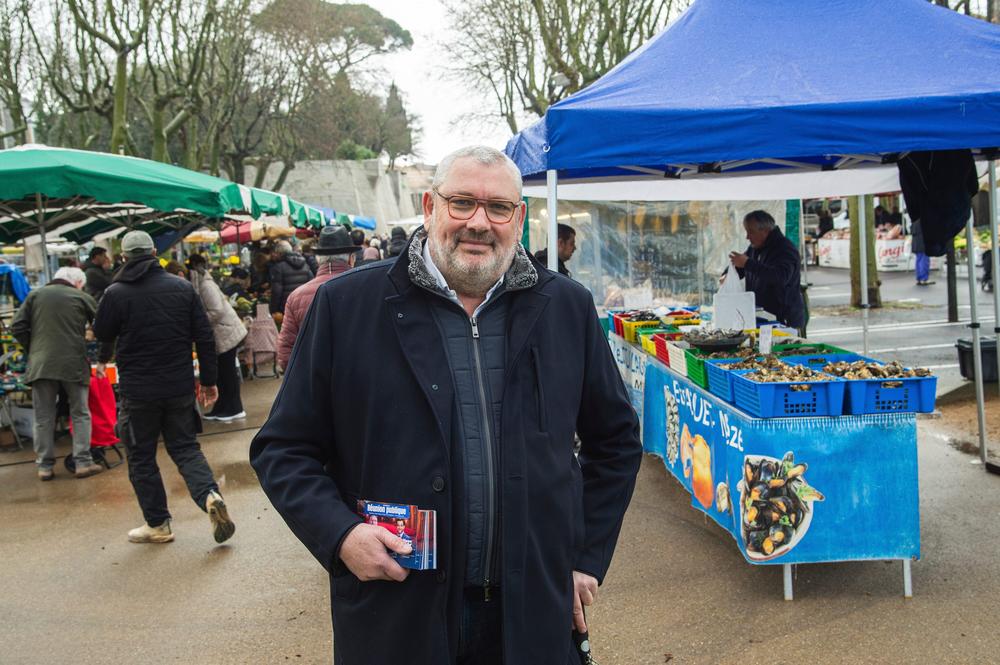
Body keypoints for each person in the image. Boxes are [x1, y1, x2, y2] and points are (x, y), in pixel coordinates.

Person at [250, 145, 642, 665]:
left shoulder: (565, 307)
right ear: (430, 207)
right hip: (398, 610)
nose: (479, 223)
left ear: (518, 219)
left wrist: (583, 558)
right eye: (462, 203)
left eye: (498, 208)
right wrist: (340, 534)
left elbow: (614, 441)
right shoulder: (347, 307)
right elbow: (283, 447)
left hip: (531, 614)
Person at [93, 231, 235, 545]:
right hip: (179, 386)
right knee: (185, 449)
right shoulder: (182, 287)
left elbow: (102, 331)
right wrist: (210, 381)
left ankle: (158, 524)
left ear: (125, 256)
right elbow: (205, 337)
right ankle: (209, 495)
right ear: (155, 251)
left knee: (142, 457)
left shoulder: (116, 292)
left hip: (139, 390)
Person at [11, 266, 102, 480]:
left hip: (41, 364)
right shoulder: (80, 296)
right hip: (73, 363)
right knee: (79, 412)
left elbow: (17, 326)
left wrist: (32, 348)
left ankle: (44, 466)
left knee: (43, 417)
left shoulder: (34, 295)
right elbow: (103, 324)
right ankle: (83, 462)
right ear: (78, 283)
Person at [276, 226, 360, 370]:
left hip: (314, 383)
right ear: (352, 259)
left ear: (318, 259)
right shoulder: (364, 290)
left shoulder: (296, 297)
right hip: (357, 380)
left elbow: (285, 355)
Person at [187, 254, 248, 421]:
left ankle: (235, 408)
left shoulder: (206, 285)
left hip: (226, 332)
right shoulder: (203, 283)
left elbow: (217, 310)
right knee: (221, 373)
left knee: (227, 373)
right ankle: (221, 407)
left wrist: (199, 320)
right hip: (222, 333)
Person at [729, 210, 805, 330]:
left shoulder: (784, 249)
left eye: (751, 232)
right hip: (763, 317)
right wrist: (729, 274)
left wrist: (747, 263)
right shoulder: (755, 247)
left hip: (784, 319)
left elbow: (780, 277)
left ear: (765, 231)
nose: (747, 237)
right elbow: (742, 266)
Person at [268, 240, 314, 315]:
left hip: (287, 307)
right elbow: (312, 285)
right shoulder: (305, 264)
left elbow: (277, 291)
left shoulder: (278, 267)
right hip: (305, 306)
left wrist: (273, 310)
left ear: (280, 253)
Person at [911, 219, 934, 286]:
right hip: (923, 242)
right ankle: (924, 279)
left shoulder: (914, 220)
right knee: (924, 261)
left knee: (918, 260)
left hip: (916, 242)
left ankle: (919, 278)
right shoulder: (923, 219)